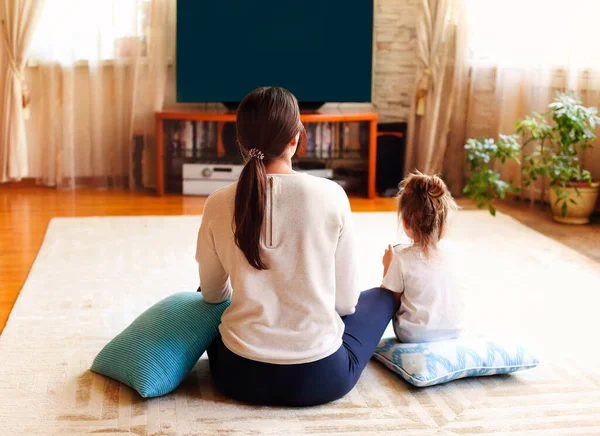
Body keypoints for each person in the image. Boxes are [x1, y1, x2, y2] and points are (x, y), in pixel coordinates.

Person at [195, 86, 397, 406]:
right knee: (381, 297)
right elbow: (345, 305)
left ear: (241, 143)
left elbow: (211, 295)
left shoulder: (217, 203)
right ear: (296, 138)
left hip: (237, 376)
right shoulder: (332, 196)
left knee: (199, 296)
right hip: (320, 378)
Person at [381, 172, 464, 343]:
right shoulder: (455, 252)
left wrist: (387, 267)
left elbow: (388, 303)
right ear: (443, 221)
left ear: (405, 222)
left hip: (413, 334)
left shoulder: (401, 259)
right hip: (455, 329)